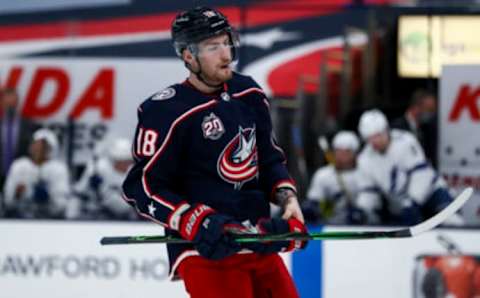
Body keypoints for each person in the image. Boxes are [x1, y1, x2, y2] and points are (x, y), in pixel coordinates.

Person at [122, 7, 307, 298]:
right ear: (188, 56)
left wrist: (289, 200)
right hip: (206, 252)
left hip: (257, 243)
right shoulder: (165, 111)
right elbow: (141, 187)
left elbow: (269, 159)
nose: (225, 54)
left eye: (226, 42)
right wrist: (192, 219)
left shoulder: (249, 93)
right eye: (212, 47)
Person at [355, 109, 462, 226]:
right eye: (369, 138)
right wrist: (362, 209)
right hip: (400, 206)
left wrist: (413, 200)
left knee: (451, 220)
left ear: (386, 130)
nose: (374, 141)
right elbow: (369, 191)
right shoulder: (365, 159)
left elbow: (421, 174)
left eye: (377, 136)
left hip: (431, 194)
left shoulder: (405, 141)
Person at [3, 128, 70, 219]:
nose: (39, 149)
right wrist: (16, 194)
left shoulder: (59, 168)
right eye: (36, 144)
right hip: (20, 218)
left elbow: (62, 204)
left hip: (50, 220)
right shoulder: (19, 165)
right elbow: (7, 200)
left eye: (44, 146)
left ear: (51, 149)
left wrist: (48, 198)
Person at [302, 131, 364, 224]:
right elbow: (314, 200)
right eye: (339, 151)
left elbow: (370, 202)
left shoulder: (365, 175)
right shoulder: (322, 174)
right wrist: (312, 207)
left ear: (355, 153)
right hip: (329, 228)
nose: (342, 155)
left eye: (347, 151)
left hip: (360, 228)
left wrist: (362, 213)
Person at [73, 138, 137, 220]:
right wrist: (91, 187)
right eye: (121, 160)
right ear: (113, 159)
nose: (126, 163)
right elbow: (79, 191)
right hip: (95, 214)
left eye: (128, 160)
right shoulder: (98, 168)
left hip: (125, 216)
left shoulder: (135, 173)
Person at [0, 87, 39, 192]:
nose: (10, 107)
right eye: (7, 104)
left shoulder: (29, 126)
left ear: (17, 103)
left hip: (21, 179)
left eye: (12, 104)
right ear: (2, 104)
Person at [391, 89, 438, 166]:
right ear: (416, 108)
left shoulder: (428, 129)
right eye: (429, 110)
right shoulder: (396, 128)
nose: (432, 114)